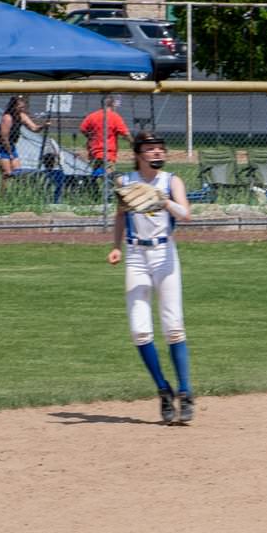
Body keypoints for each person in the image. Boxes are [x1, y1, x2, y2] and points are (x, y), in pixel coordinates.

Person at [107, 131, 196, 424]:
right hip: (135, 255)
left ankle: (185, 393)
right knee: (140, 331)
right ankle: (163, 389)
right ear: (138, 153)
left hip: (164, 254)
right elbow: (121, 215)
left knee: (173, 326)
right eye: (150, 148)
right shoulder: (125, 182)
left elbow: (186, 215)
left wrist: (164, 200)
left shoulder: (171, 181)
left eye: (160, 148)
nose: (157, 152)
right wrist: (115, 247)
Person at [0, 95, 51, 180]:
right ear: (14, 106)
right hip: (0, 146)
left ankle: (14, 190)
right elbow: (4, 138)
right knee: (7, 174)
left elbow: (34, 128)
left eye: (23, 107)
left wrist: (43, 126)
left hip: (11, 146)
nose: (22, 109)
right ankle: (4, 193)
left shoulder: (22, 116)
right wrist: (10, 153)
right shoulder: (7, 118)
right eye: (20, 107)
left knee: (18, 173)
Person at [80, 96, 132, 173]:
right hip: (108, 154)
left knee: (95, 175)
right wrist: (132, 142)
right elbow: (125, 133)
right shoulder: (115, 116)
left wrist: (90, 138)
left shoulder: (92, 116)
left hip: (94, 153)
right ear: (112, 104)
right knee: (110, 178)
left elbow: (82, 128)